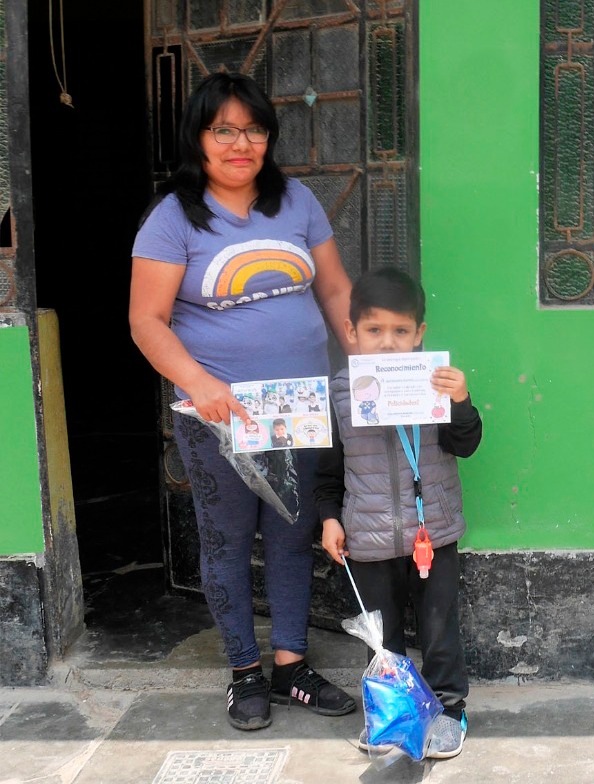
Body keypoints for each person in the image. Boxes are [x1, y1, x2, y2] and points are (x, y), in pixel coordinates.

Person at [129, 71, 356, 731]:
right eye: (222, 129)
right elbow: (147, 320)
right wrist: (199, 383)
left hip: (298, 405)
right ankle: (243, 673)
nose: (240, 143)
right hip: (217, 415)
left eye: (253, 129)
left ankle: (290, 666)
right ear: (198, 137)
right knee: (226, 539)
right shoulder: (173, 217)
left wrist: (369, 360)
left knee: (291, 535)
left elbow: (336, 290)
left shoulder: (298, 203)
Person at [317, 266, 483, 760]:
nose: (387, 343)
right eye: (374, 330)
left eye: (400, 331)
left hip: (434, 535)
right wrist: (329, 517)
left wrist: (460, 401)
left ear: (419, 335)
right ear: (351, 332)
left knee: (439, 631)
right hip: (366, 541)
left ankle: (450, 710)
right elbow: (327, 471)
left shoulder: (433, 384)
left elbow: (466, 445)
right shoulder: (340, 395)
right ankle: (393, 715)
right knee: (382, 639)